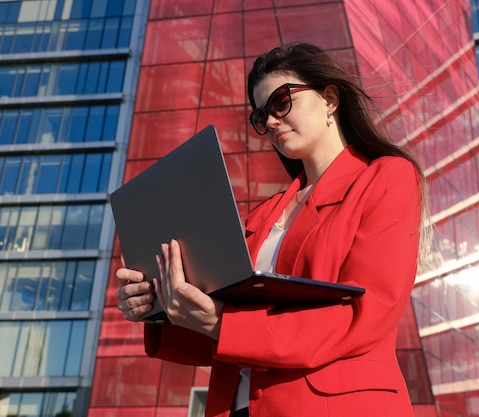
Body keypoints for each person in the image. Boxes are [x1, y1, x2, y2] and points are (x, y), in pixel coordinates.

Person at [115, 42, 429, 417]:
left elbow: (364, 314)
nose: (272, 121)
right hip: (239, 406)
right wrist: (159, 305)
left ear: (330, 98)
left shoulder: (386, 178)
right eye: (262, 115)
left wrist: (221, 322)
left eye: (281, 102)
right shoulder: (262, 216)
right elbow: (229, 331)